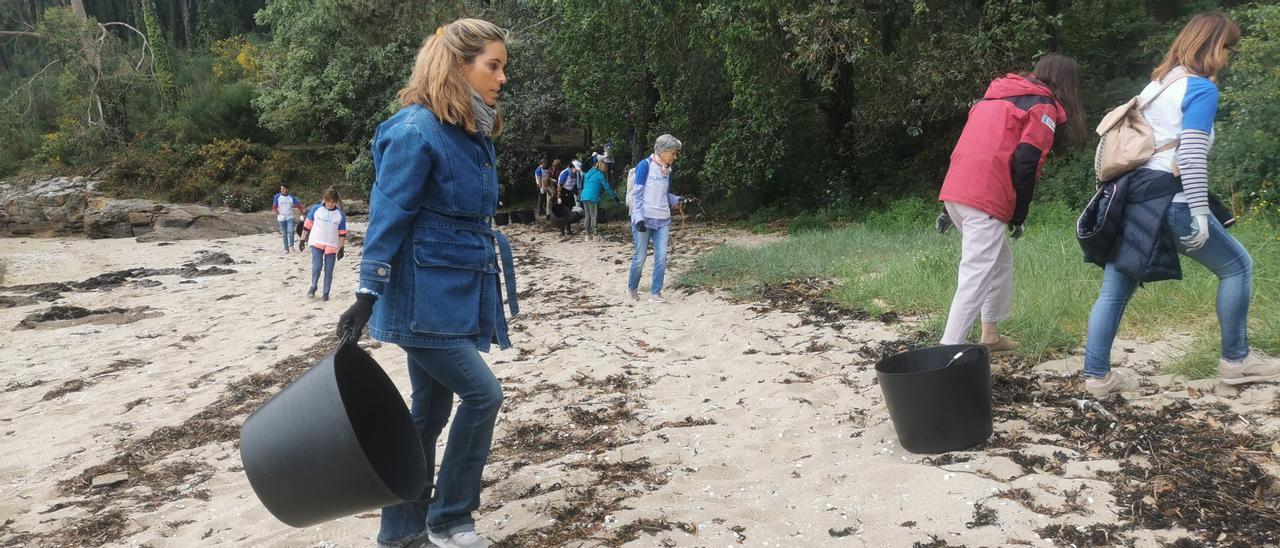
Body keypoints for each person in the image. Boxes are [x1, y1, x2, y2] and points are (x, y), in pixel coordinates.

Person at [336, 18, 517, 548]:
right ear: (459, 66)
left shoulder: (469, 133)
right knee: (484, 395)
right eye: (493, 66)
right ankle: (450, 517)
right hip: (420, 300)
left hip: (454, 293)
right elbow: (389, 215)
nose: (502, 78)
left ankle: (399, 532)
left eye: (503, 67)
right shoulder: (415, 130)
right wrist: (366, 295)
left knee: (429, 413)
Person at [1081, 13, 1280, 398]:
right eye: (1229, 48)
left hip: (1134, 198)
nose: (1230, 57)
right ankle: (1237, 361)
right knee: (1238, 267)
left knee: (1115, 289)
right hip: (1172, 200)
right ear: (1211, 45)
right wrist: (1201, 212)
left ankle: (1097, 377)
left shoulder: (1156, 86)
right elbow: (1189, 155)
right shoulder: (1200, 89)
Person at [936, 53, 1084, 352]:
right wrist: (1019, 213)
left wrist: (947, 210)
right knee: (976, 272)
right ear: (1067, 82)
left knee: (1000, 261)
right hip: (987, 195)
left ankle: (990, 335)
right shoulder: (1043, 106)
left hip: (956, 189)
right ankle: (947, 351)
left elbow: (970, 149)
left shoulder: (991, 100)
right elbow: (1027, 162)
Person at [628, 134, 684, 303]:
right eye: (672, 153)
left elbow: (664, 195)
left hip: (663, 219)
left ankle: (656, 292)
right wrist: (638, 219)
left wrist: (677, 200)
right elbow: (636, 195)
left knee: (662, 256)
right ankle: (632, 287)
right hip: (643, 220)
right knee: (641, 257)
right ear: (661, 151)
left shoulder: (668, 170)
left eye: (675, 154)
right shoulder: (644, 166)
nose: (675, 157)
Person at [300, 187, 347, 301]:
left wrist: (341, 248)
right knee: (317, 267)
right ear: (324, 200)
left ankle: (326, 293)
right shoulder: (316, 209)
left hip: (332, 245)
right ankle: (313, 286)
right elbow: (307, 224)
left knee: (329, 270)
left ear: (336, 202)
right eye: (328, 201)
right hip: (317, 242)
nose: (330, 204)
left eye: (333, 202)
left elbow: (342, 233)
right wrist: (302, 239)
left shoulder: (340, 215)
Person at [580, 158, 617, 240]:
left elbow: (585, 185)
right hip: (592, 197)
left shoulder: (588, 173)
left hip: (584, 196)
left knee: (587, 216)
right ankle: (595, 235)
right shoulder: (601, 174)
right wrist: (614, 196)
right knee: (594, 215)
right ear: (603, 167)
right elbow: (606, 186)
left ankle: (587, 235)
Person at [272, 184, 305, 253]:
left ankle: (291, 246)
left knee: (291, 231)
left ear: (287, 189)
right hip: (281, 218)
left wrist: (302, 214)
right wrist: (278, 214)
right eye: (281, 189)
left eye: (283, 189)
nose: (282, 190)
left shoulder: (291, 198)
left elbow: (299, 206)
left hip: (290, 217)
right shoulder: (277, 197)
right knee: (284, 233)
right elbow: (274, 207)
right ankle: (286, 249)